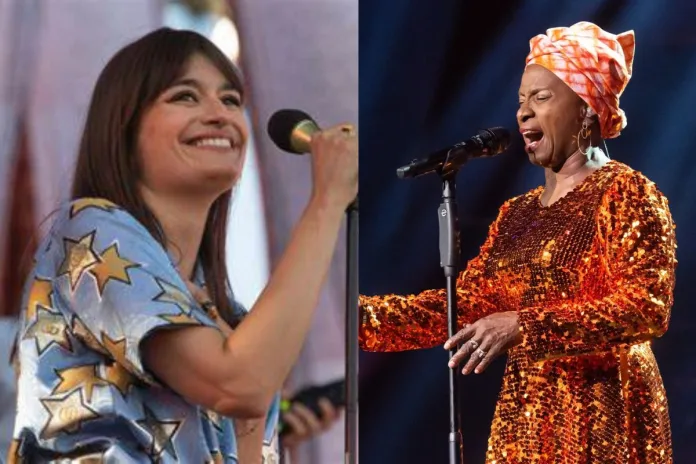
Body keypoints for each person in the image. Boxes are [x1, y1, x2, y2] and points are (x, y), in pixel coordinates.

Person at [9, 28, 357, 463]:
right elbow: (238, 383)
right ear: (125, 126)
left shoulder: (223, 314)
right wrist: (326, 201)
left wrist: (256, 421)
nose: (219, 114)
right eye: (185, 97)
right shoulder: (90, 229)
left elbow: (242, 403)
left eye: (231, 100)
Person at [360, 21, 676, 463]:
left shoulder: (626, 193)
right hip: (526, 424)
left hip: (603, 419)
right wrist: (355, 317)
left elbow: (646, 309)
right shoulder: (517, 214)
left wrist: (523, 326)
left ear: (586, 108)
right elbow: (461, 305)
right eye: (521, 101)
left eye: (541, 98)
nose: (523, 112)